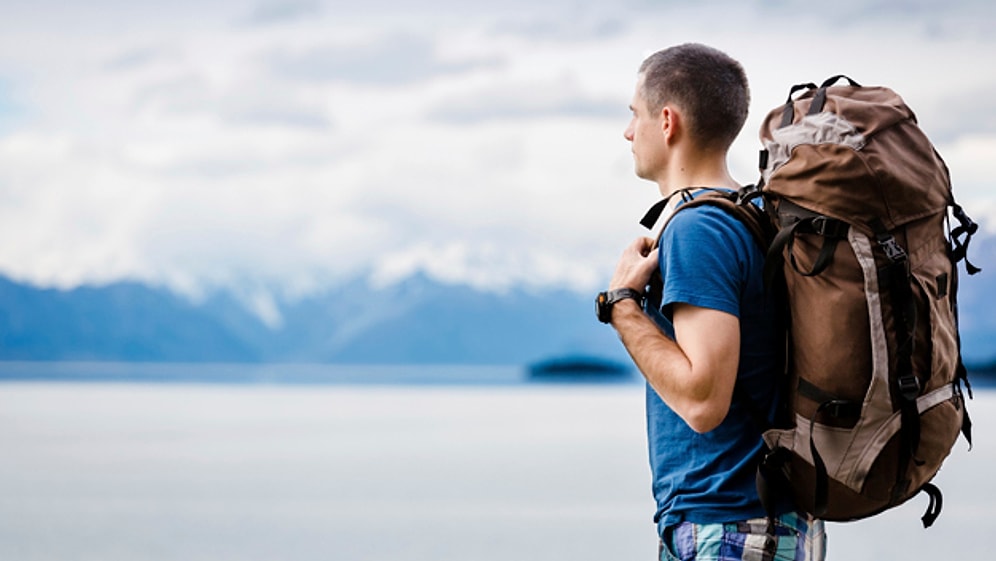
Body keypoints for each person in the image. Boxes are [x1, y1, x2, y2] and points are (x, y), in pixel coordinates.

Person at [595, 43, 826, 561]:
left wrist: (622, 306)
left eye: (634, 114)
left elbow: (704, 401)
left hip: (730, 530)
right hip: (765, 524)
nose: (628, 132)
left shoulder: (699, 229)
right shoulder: (755, 213)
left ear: (667, 122)